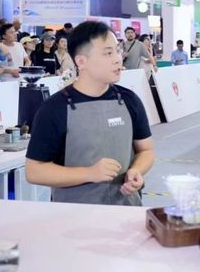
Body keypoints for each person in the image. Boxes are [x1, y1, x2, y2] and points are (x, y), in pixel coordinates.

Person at [25, 21, 155, 206]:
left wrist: (136, 170)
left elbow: (146, 150)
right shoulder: (54, 109)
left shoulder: (129, 100)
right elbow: (34, 171)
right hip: (74, 215)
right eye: (108, 53)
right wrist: (89, 173)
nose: (118, 59)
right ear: (81, 61)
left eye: (117, 51)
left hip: (127, 210)